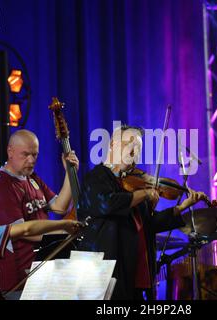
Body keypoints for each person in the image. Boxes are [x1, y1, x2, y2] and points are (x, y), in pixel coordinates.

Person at [77, 124, 207, 300]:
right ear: (112, 145)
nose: (134, 150)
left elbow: (149, 225)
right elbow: (107, 204)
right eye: (128, 143)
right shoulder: (96, 177)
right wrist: (144, 193)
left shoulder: (133, 184)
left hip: (136, 274)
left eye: (138, 147)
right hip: (110, 273)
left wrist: (182, 206)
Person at [0, 129, 79, 297]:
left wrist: (69, 173)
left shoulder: (32, 178)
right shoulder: (1, 186)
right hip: (19, 275)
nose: (31, 160)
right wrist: (62, 231)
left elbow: (60, 206)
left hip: (41, 269)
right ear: (10, 151)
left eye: (35, 155)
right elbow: (24, 231)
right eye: (25, 155)